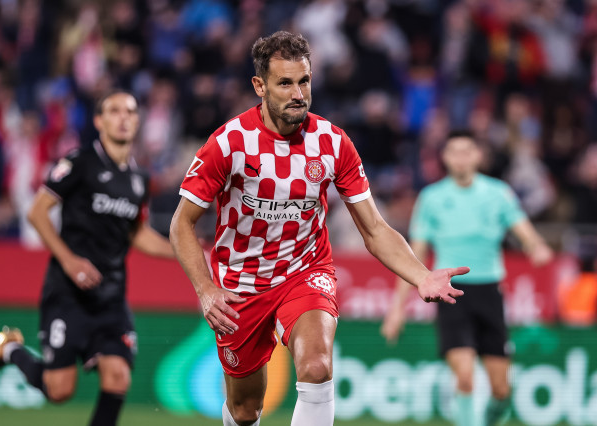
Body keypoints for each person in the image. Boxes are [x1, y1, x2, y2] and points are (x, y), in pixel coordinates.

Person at [169, 31, 469, 426]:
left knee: (316, 365)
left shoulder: (332, 143)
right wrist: (206, 290)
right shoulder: (228, 143)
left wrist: (421, 276)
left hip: (305, 272)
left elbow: (375, 229)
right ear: (259, 86)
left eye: (304, 81)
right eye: (285, 83)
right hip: (240, 283)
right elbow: (180, 225)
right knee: (245, 410)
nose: (298, 93)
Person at [0, 90, 175, 426]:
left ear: (138, 121)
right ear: (99, 121)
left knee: (118, 377)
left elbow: (136, 233)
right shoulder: (79, 163)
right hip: (68, 293)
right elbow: (38, 212)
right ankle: (10, 350)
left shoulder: (139, 180)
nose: (123, 117)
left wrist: (181, 251)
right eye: (114, 111)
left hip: (111, 297)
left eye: (130, 111)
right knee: (59, 391)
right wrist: (68, 260)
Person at [382, 130, 553, 426]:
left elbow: (525, 231)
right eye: (454, 152)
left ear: (478, 155)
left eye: (467, 151)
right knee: (464, 377)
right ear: (445, 158)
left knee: (501, 390)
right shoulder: (432, 198)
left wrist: (536, 247)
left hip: (489, 292)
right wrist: (397, 310)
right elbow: (412, 259)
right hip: (450, 293)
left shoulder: (498, 193)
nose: (460, 158)